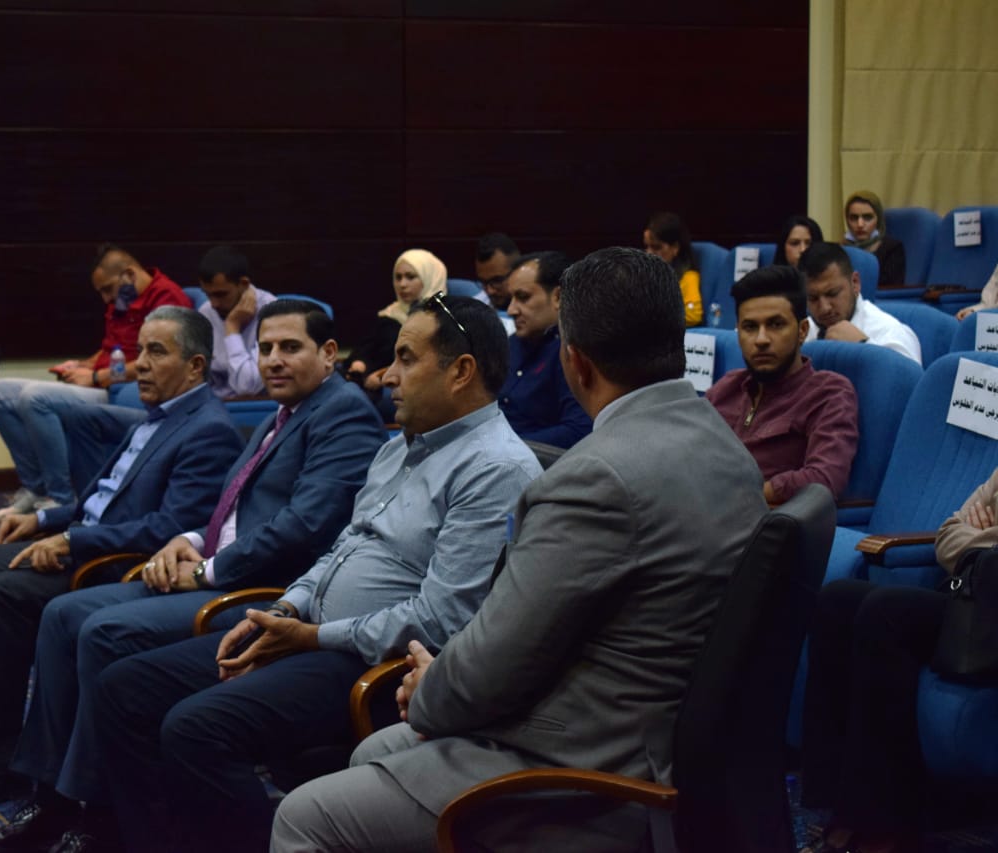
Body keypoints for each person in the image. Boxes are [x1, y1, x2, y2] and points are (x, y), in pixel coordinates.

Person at [270, 247, 769, 853]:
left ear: (574, 361)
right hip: (655, 731)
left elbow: (498, 658)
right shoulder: (725, 443)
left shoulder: (593, 478)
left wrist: (431, 688)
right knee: (374, 750)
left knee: (302, 817)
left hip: (584, 769)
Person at [49, 295, 544, 853]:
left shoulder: (494, 468)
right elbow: (341, 548)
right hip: (308, 630)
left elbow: (440, 621)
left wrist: (311, 635)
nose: (387, 375)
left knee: (197, 728)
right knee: (125, 687)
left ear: (461, 371)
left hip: (375, 665)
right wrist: (289, 607)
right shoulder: (399, 449)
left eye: (406, 358)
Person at [0, 298, 388, 852]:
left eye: (290, 347)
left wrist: (208, 569)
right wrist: (187, 541)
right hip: (220, 568)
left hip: (261, 590)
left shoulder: (343, 413)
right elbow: (231, 507)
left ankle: (98, 813)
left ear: (329, 353)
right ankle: (53, 797)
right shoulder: (283, 413)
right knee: (63, 614)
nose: (273, 360)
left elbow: (303, 526)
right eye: (265, 349)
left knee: (102, 631)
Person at [0, 307, 244, 811]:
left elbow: (168, 528)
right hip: (81, 542)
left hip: (113, 563)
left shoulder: (208, 429)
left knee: (3, 595)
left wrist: (74, 542)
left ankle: (2, 756)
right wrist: (46, 519)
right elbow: (106, 499)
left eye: (156, 352)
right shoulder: (158, 416)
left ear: (196, 366)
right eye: (140, 349)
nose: (139, 363)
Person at [800, 468, 998, 853]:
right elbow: (947, 534)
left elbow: (968, 547)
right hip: (972, 598)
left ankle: (887, 827)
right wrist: (983, 542)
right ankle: (834, 807)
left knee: (886, 612)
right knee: (838, 600)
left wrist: (976, 540)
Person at [0, 244, 189, 520]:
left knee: (34, 398)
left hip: (121, 390)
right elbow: (112, 349)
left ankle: (61, 498)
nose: (106, 298)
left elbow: (157, 361)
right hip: (101, 381)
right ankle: (35, 488)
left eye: (108, 289)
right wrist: (84, 364)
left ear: (130, 274)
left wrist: (96, 376)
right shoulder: (122, 300)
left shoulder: (167, 299)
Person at [706, 265, 859, 503]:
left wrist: (739, 496)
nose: (761, 339)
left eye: (776, 324)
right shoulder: (727, 388)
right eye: (750, 327)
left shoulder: (828, 393)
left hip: (763, 519)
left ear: (802, 330)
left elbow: (824, 480)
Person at [499, 250, 592, 448]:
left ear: (558, 297)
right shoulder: (510, 344)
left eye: (523, 297)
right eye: (510, 299)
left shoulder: (574, 353)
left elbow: (578, 430)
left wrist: (507, 447)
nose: (511, 310)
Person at [345, 249, 448, 412]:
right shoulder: (390, 314)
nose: (402, 284)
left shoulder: (442, 317)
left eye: (410, 277)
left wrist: (381, 375)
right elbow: (366, 347)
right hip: (370, 383)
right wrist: (360, 362)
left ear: (430, 277)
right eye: (398, 277)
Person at [801, 242, 922, 364]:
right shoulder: (802, 333)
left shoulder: (891, 333)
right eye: (813, 298)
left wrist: (863, 346)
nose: (824, 308)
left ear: (855, 283)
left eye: (832, 294)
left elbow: (908, 375)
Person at [196, 244, 276, 399]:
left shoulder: (272, 314)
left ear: (243, 284)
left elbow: (247, 387)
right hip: (212, 404)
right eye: (208, 294)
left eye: (221, 294)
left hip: (255, 407)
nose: (214, 304)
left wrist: (232, 327)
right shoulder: (206, 312)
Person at [644, 211, 703, 326]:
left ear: (675, 247)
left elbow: (693, 315)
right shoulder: (645, 273)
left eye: (656, 247)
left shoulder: (688, 277)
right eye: (647, 246)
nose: (649, 253)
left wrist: (656, 317)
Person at [843, 190, 906, 287]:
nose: (860, 224)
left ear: (878, 219)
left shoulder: (892, 249)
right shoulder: (840, 249)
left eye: (867, 217)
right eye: (854, 218)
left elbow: (892, 288)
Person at [474, 232, 521, 311]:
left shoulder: (539, 309)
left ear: (518, 271)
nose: (490, 291)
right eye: (484, 282)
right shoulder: (476, 309)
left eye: (497, 280)